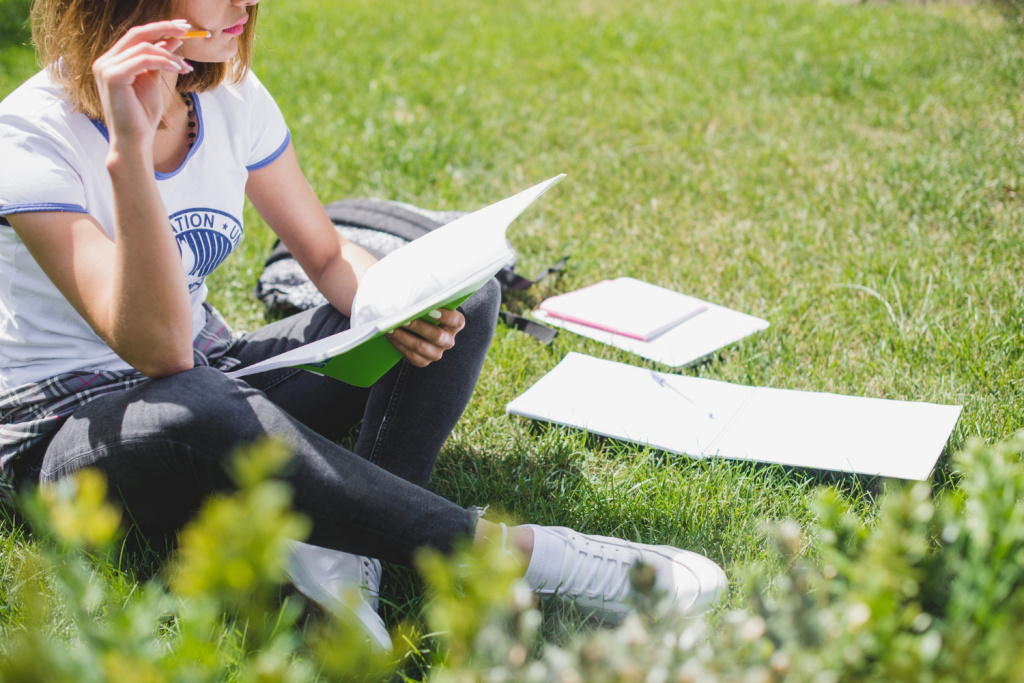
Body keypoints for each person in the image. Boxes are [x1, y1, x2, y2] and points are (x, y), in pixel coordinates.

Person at [0, 0, 728, 651]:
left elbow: (322, 251)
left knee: (459, 300)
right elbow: (156, 348)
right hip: (71, 436)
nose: (248, 3)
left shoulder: (227, 96)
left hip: (217, 374)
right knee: (196, 402)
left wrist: (397, 308)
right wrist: (129, 149)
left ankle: (343, 565)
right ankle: (538, 557)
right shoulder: (32, 136)